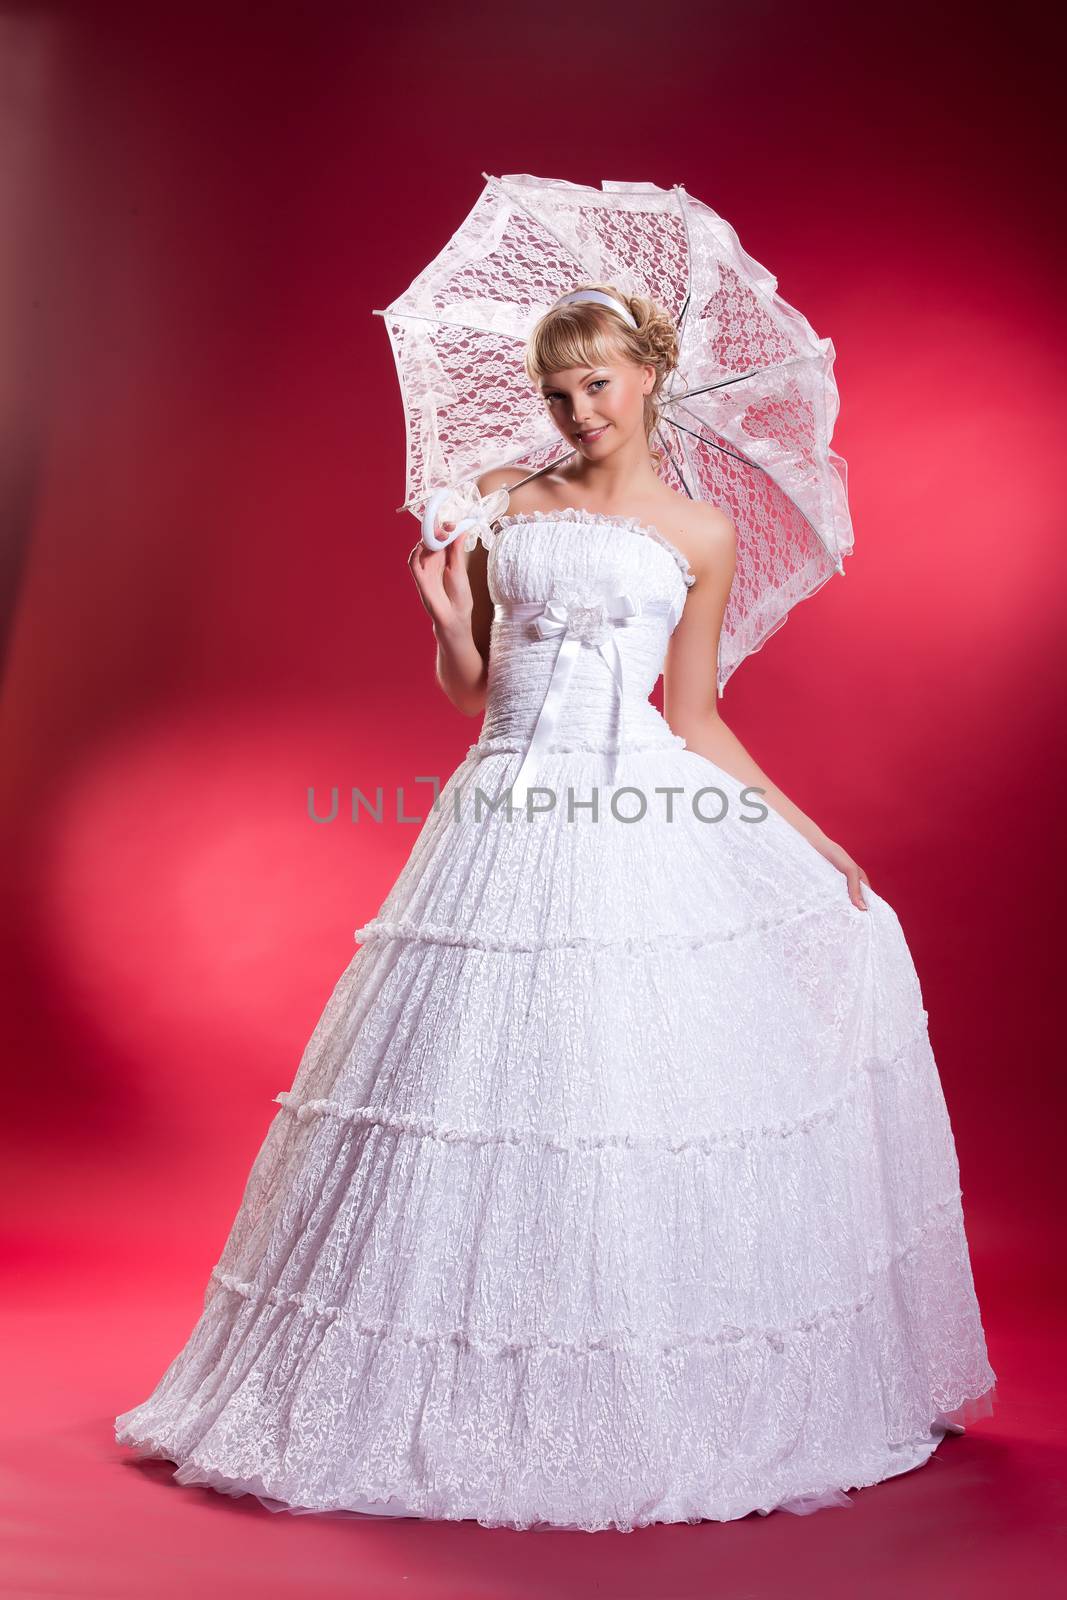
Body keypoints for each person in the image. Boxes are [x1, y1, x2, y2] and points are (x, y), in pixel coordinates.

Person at [115, 284, 997, 1532]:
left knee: (619, 1097)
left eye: (596, 382)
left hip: (630, 820)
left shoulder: (698, 533)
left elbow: (689, 719)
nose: (576, 408)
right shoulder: (507, 506)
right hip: (500, 817)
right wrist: (445, 621)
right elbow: (474, 693)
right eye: (556, 389)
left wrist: (803, 830)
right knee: (466, 1090)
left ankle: (626, 1358)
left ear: (648, 376)